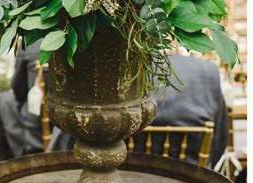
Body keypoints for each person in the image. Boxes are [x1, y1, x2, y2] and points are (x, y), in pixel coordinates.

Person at [49, 54, 229, 168]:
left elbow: (63, 146)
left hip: (117, 176)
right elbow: (219, 143)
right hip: (188, 180)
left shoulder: (108, 75)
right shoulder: (206, 73)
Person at [0, 41, 44, 163]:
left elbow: (19, 92)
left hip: (37, 125)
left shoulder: (30, 43)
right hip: (70, 124)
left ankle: (2, 164)